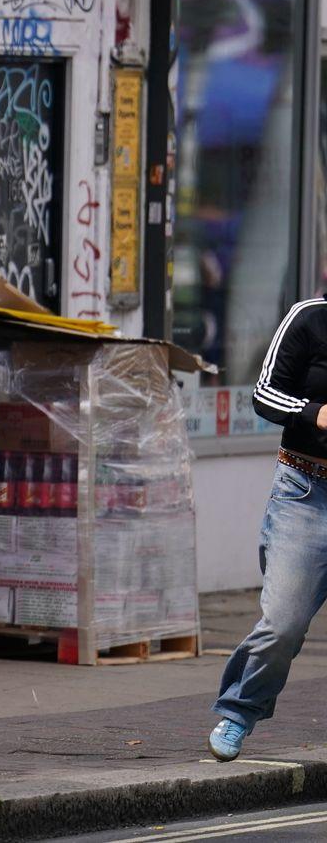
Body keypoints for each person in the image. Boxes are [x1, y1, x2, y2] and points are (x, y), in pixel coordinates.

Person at [209, 298, 327, 761]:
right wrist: (315, 412)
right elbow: (264, 395)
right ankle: (239, 712)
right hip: (305, 493)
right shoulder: (309, 317)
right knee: (282, 626)